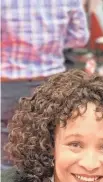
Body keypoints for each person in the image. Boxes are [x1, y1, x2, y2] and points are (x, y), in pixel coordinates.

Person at [1, 0, 89, 167]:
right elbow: (79, 38)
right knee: (48, 145)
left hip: (8, 82)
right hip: (51, 82)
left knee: (7, 151)